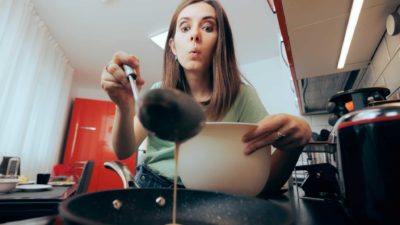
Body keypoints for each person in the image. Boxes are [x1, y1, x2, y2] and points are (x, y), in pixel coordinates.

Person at [101, 0, 311, 196]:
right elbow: (123, 150)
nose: (195, 36)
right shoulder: (160, 93)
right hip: (153, 189)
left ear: (221, 42)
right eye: (185, 28)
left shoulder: (243, 96)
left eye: (208, 27)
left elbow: (263, 183)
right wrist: (124, 105)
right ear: (173, 47)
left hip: (214, 196)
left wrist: (294, 146)